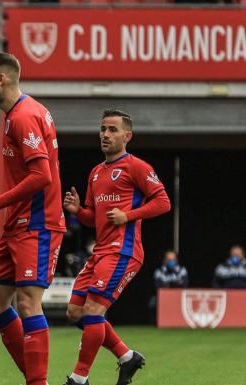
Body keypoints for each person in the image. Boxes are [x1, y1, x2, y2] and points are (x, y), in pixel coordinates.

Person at [0, 52, 66, 385]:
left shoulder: (24, 115)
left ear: (1, 79)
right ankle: (38, 379)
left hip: (37, 223)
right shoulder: (16, 114)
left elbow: (42, 176)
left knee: (28, 303)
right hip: (19, 223)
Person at [62, 109, 171, 385]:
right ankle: (126, 356)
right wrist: (77, 211)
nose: (105, 135)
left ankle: (79, 379)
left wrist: (128, 216)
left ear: (127, 136)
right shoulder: (96, 173)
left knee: (94, 311)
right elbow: (94, 218)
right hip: (100, 251)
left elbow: (163, 202)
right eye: (102, 129)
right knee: (75, 313)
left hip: (123, 251)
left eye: (112, 130)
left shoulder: (137, 167)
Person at [149, 250, 188, 316]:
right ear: (164, 260)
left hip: (178, 296)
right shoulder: (159, 271)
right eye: (169, 259)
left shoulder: (182, 270)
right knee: (152, 303)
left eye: (173, 259)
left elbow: (184, 285)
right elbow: (157, 287)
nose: (171, 261)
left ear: (176, 260)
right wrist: (175, 284)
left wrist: (168, 285)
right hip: (162, 296)